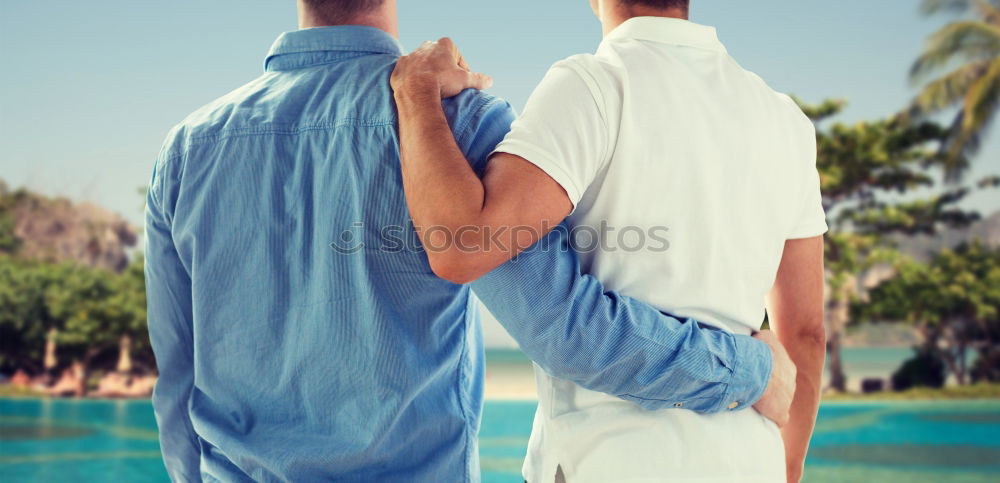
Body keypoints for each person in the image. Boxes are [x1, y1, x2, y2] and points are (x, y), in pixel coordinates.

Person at [144, 0, 793, 481]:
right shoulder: (454, 124)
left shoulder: (185, 149)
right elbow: (565, 326)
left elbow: (175, 380)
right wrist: (748, 369)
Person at [390, 0, 827, 482]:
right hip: (749, 459)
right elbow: (805, 333)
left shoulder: (596, 85)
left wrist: (417, 96)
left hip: (609, 460)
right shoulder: (786, 122)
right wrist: (784, 465)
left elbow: (461, 246)